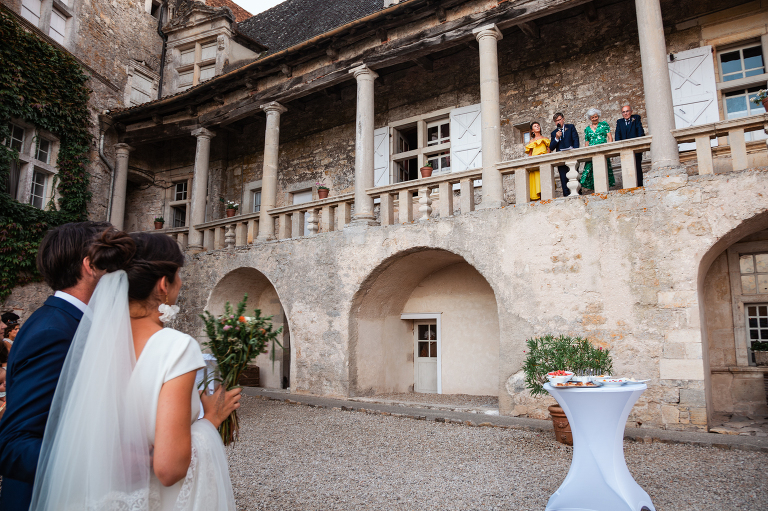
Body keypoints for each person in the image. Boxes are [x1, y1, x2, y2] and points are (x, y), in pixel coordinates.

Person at [30, 230, 240, 511]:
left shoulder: (93, 344)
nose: (181, 283)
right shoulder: (175, 347)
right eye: (179, 276)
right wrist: (209, 422)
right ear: (164, 284)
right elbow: (169, 469)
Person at [0, 221, 112, 510]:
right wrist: (106, 465)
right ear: (91, 266)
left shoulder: (64, 321)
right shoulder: (55, 330)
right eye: (114, 260)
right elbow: (14, 445)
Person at [580, 108, 615, 191]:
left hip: (603, 150)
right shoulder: (587, 129)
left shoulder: (604, 125)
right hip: (592, 152)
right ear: (590, 119)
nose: (595, 119)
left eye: (596, 117)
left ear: (598, 116)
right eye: (593, 117)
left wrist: (609, 149)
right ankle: (596, 189)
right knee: (592, 172)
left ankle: (604, 189)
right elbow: (586, 143)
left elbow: (610, 138)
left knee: (604, 169)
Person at [614, 105, 646, 187]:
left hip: (636, 148)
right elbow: (617, 135)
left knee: (637, 166)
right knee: (626, 168)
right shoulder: (619, 122)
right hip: (625, 149)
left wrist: (639, 143)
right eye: (623, 112)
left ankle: (639, 184)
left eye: (627, 111)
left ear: (631, 112)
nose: (625, 113)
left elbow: (640, 132)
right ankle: (629, 185)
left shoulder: (636, 119)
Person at [550, 112, 580, 196]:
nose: (558, 122)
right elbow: (551, 147)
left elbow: (576, 140)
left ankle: (579, 194)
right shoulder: (554, 133)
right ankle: (566, 196)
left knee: (575, 177)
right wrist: (556, 138)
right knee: (564, 179)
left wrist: (575, 152)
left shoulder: (570, 127)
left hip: (572, 156)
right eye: (556, 121)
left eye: (559, 120)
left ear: (563, 119)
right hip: (561, 159)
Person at [524, 121, 550, 200]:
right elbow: (530, 154)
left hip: (544, 161)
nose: (537, 127)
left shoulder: (545, 139)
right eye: (535, 126)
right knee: (537, 182)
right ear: (532, 130)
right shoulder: (531, 141)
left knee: (544, 180)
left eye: (538, 125)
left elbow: (549, 150)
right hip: (535, 162)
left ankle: (546, 199)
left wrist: (545, 156)